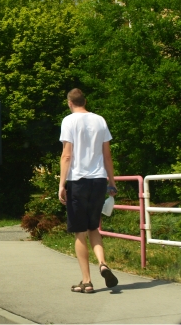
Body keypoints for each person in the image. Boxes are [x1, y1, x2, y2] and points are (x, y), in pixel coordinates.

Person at [58, 88, 119, 293]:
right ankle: (102, 263)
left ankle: (87, 281)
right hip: (99, 180)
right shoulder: (100, 120)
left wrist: (61, 184)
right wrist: (111, 181)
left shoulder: (69, 121)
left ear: (70, 102)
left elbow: (67, 155)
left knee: (79, 232)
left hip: (78, 181)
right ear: (85, 101)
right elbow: (107, 155)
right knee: (94, 227)